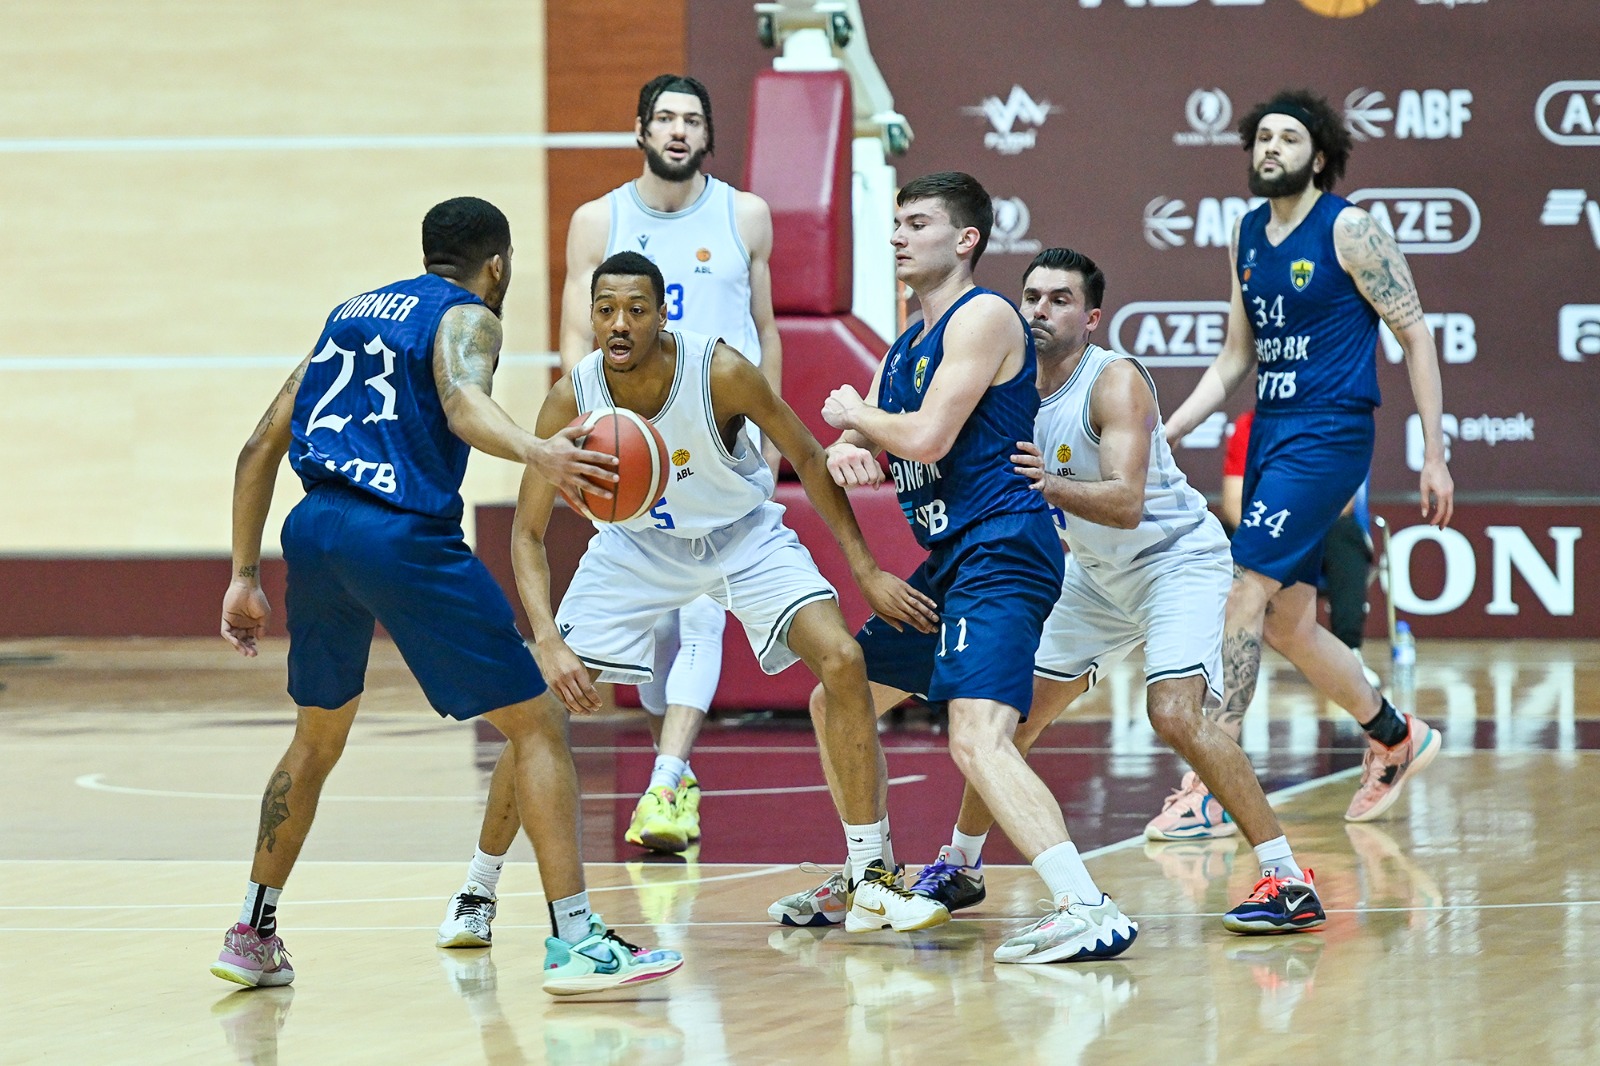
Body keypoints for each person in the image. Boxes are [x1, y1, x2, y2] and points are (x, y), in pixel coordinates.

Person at [211, 197, 682, 996]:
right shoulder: (467, 316)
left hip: (314, 529)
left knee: (315, 739)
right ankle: (576, 942)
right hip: (398, 534)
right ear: (497, 264)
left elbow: (260, 443)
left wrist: (244, 575)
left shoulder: (348, 315)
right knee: (538, 724)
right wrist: (537, 449)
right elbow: (463, 402)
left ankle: (251, 934)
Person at [506, 250, 948, 940]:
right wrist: (547, 639)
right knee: (536, 705)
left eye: (636, 310)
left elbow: (807, 455)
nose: (619, 324)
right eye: (606, 310)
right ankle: (478, 888)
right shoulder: (573, 397)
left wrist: (864, 569)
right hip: (636, 547)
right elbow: (527, 532)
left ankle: (869, 876)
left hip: (740, 535)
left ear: (662, 314)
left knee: (842, 659)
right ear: (590, 316)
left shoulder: (720, 372)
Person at [770, 174, 1139, 964]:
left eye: (917, 223)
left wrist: (855, 416)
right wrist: (849, 445)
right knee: (837, 696)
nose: (898, 237)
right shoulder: (907, 342)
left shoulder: (985, 317)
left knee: (977, 737)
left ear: (965, 238)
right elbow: (860, 442)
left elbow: (926, 437)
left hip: (1002, 549)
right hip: (952, 560)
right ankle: (869, 875)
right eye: (896, 224)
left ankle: (1086, 906)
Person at [907, 247, 1325, 935]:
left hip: (1174, 561)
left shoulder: (1114, 380)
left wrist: (1046, 484)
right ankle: (962, 864)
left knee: (1174, 713)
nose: (1041, 311)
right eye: (1032, 297)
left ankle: (1287, 878)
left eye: (1060, 300)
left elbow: (1126, 503)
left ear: (1092, 317)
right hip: (1096, 577)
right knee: (1008, 717)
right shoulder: (1006, 381)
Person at [1153, 89, 1455, 839]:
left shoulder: (1349, 229)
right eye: (1262, 137)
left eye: (1287, 138)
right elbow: (1234, 358)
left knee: (1244, 589)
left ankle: (1213, 781)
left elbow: (1416, 334)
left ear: (1318, 157)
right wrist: (1171, 429)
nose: (1271, 148)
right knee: (1288, 624)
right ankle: (1395, 736)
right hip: (1272, 430)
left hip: (1330, 431)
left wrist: (1434, 454)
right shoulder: (1246, 234)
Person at [1221, 411, 1379, 681]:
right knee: (1217, 537)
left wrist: (1293, 531)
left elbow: (1343, 504)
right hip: (1262, 531)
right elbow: (1233, 501)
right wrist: (1268, 534)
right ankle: (1215, 659)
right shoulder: (1250, 425)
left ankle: (1349, 654)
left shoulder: (1334, 423)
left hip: (1314, 531)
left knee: (1345, 533)